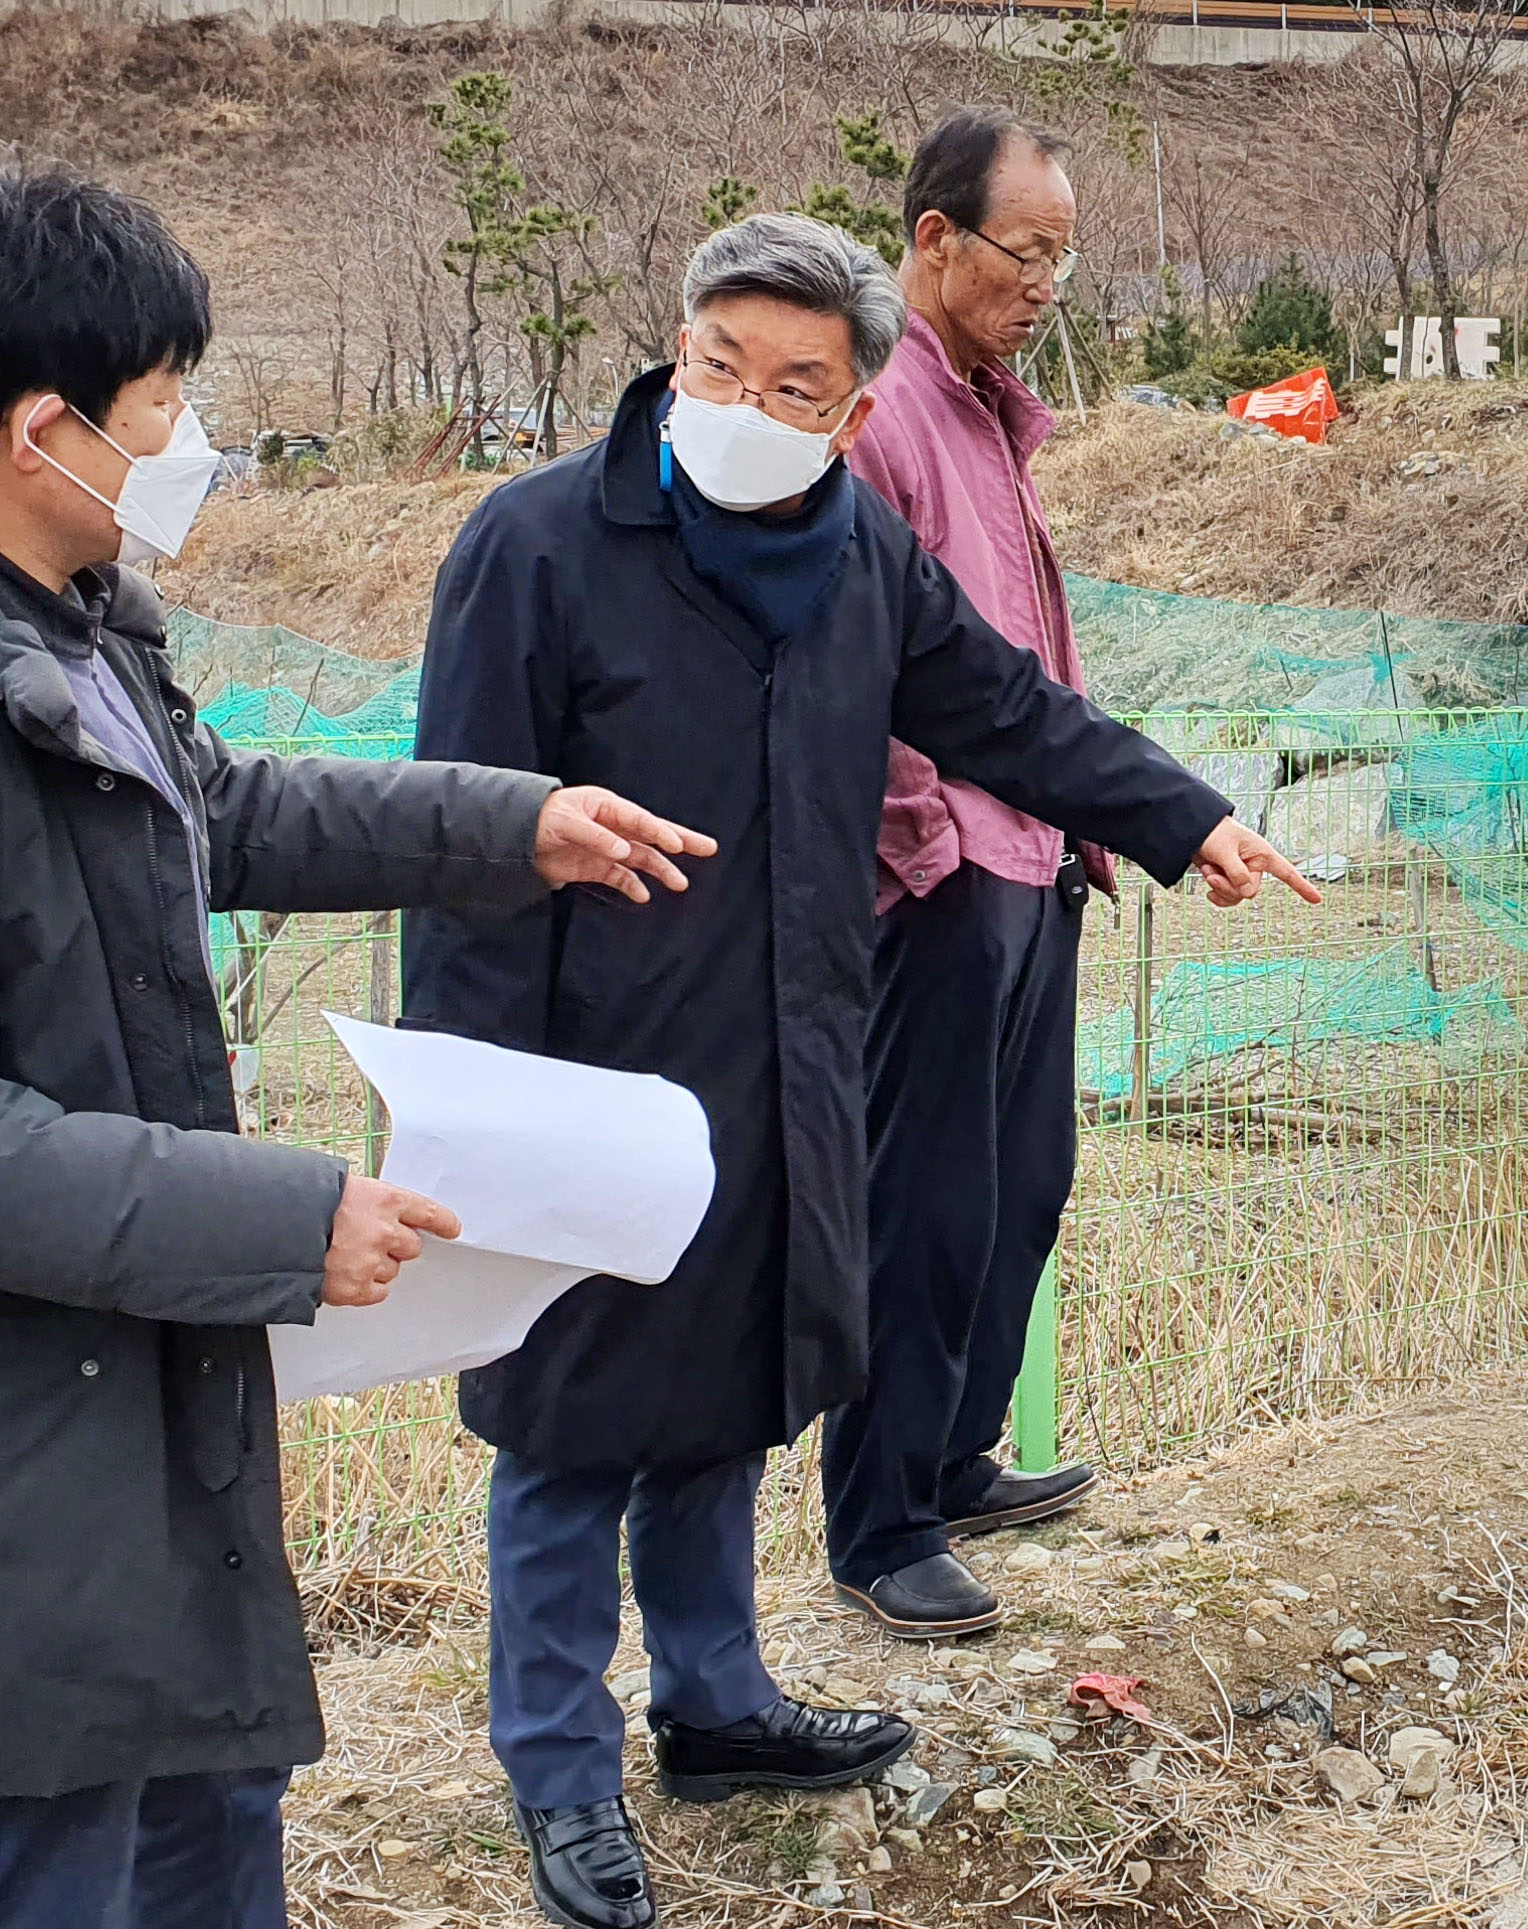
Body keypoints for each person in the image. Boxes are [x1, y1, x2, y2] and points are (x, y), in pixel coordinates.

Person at [0, 158, 708, 1929]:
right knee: (40, 1873)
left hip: (109, 1398)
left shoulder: (50, 629)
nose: (196, 437)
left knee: (196, 1836)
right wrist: (277, 1222)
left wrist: (505, 824)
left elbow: (209, 810)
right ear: (45, 430)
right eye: (167, 402)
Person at [403, 211, 1319, 1929]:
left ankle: (716, 1701)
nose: (748, 404)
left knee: (734, 1384)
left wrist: (1183, 816)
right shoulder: (533, 548)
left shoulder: (854, 562)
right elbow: (461, 835)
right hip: (584, 1066)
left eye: (796, 384)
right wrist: (473, 1105)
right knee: (568, 1423)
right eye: (719, 368)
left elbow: (1008, 712)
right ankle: (556, 1765)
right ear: (676, 357)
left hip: (783, 1047)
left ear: (854, 409)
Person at [819, 106, 1113, 1642]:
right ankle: (874, 1521)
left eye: (1062, 254)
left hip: (1035, 856)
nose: (1045, 283)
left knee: (1019, 1187)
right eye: (1027, 250)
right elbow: (858, 669)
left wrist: (1076, 828)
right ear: (932, 241)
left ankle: (947, 1458)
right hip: (941, 871)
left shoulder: (990, 415)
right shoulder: (885, 419)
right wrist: (922, 847)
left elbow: (1024, 661)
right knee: (918, 1204)